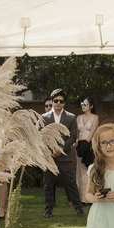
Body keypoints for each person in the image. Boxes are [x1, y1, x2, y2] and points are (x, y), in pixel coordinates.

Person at [39, 87, 83, 217]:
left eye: (61, 101)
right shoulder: (43, 118)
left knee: (71, 183)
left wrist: (62, 149)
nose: (59, 103)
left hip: (65, 156)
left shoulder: (71, 117)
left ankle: (79, 208)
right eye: (56, 101)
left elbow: (73, 136)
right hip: (49, 156)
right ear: (52, 101)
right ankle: (48, 210)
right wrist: (52, 148)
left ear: (64, 103)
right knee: (48, 184)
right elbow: (40, 135)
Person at [74, 97, 100, 204]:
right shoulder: (78, 117)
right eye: (82, 103)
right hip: (79, 146)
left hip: (90, 145)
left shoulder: (95, 117)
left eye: (86, 104)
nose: (83, 106)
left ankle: (92, 196)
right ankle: (82, 198)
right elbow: (76, 132)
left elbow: (93, 131)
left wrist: (86, 143)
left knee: (91, 169)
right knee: (80, 170)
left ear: (91, 106)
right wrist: (76, 142)